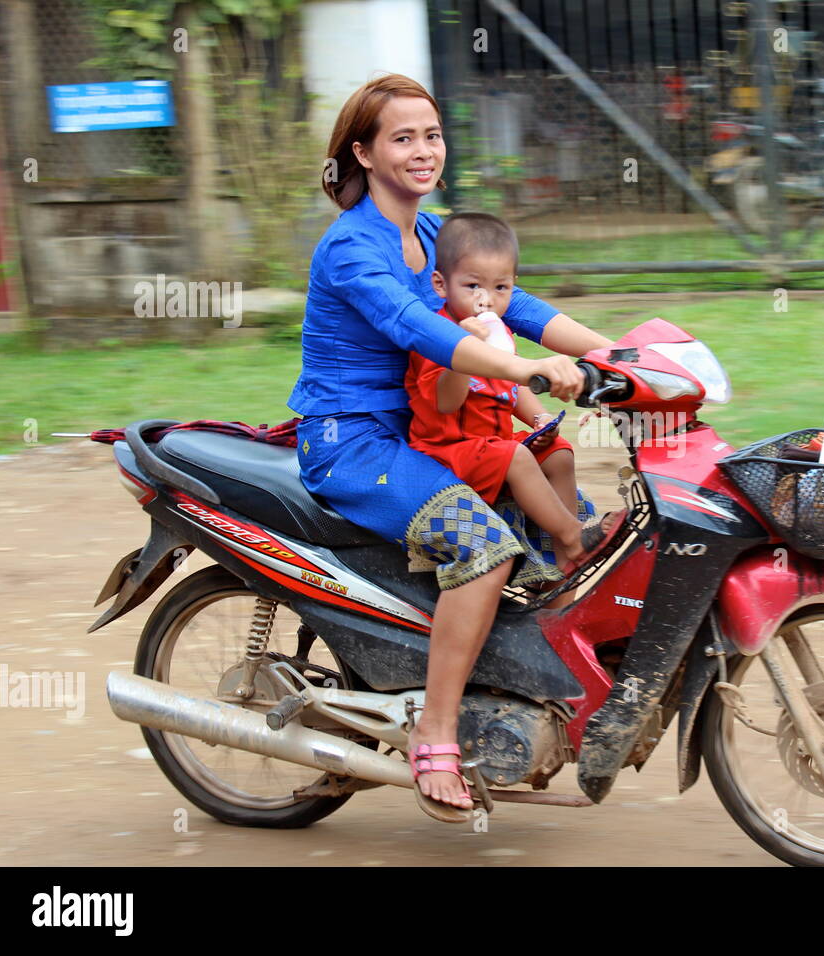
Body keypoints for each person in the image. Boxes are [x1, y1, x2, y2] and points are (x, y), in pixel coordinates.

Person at [287, 73, 613, 820]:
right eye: (402, 138)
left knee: (580, 509)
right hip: (354, 444)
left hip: (432, 433)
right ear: (364, 153)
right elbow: (418, 328)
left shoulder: (437, 235)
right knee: (485, 547)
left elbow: (519, 306)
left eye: (431, 135)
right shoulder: (350, 248)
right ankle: (436, 732)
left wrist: (629, 356)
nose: (422, 150)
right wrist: (522, 368)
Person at [405, 212, 609, 576]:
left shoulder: (500, 333)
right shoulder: (437, 336)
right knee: (516, 456)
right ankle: (573, 536)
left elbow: (510, 390)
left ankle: (564, 559)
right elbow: (445, 403)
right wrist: (461, 353)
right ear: (440, 284)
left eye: (500, 288)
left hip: (490, 444)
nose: (486, 300)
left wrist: (538, 419)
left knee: (558, 452)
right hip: (447, 450)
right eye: (472, 287)